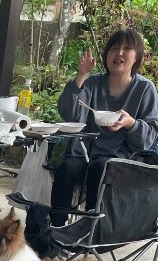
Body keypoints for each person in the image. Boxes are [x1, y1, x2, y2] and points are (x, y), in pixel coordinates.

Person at [50, 28, 158, 226]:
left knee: (102, 168)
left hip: (119, 161)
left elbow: (149, 137)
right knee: (67, 168)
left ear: (136, 57)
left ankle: (93, 232)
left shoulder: (144, 89)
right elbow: (71, 114)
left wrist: (130, 124)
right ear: (106, 54)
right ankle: (56, 232)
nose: (119, 53)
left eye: (127, 48)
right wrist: (81, 75)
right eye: (114, 48)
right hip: (84, 155)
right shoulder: (93, 83)